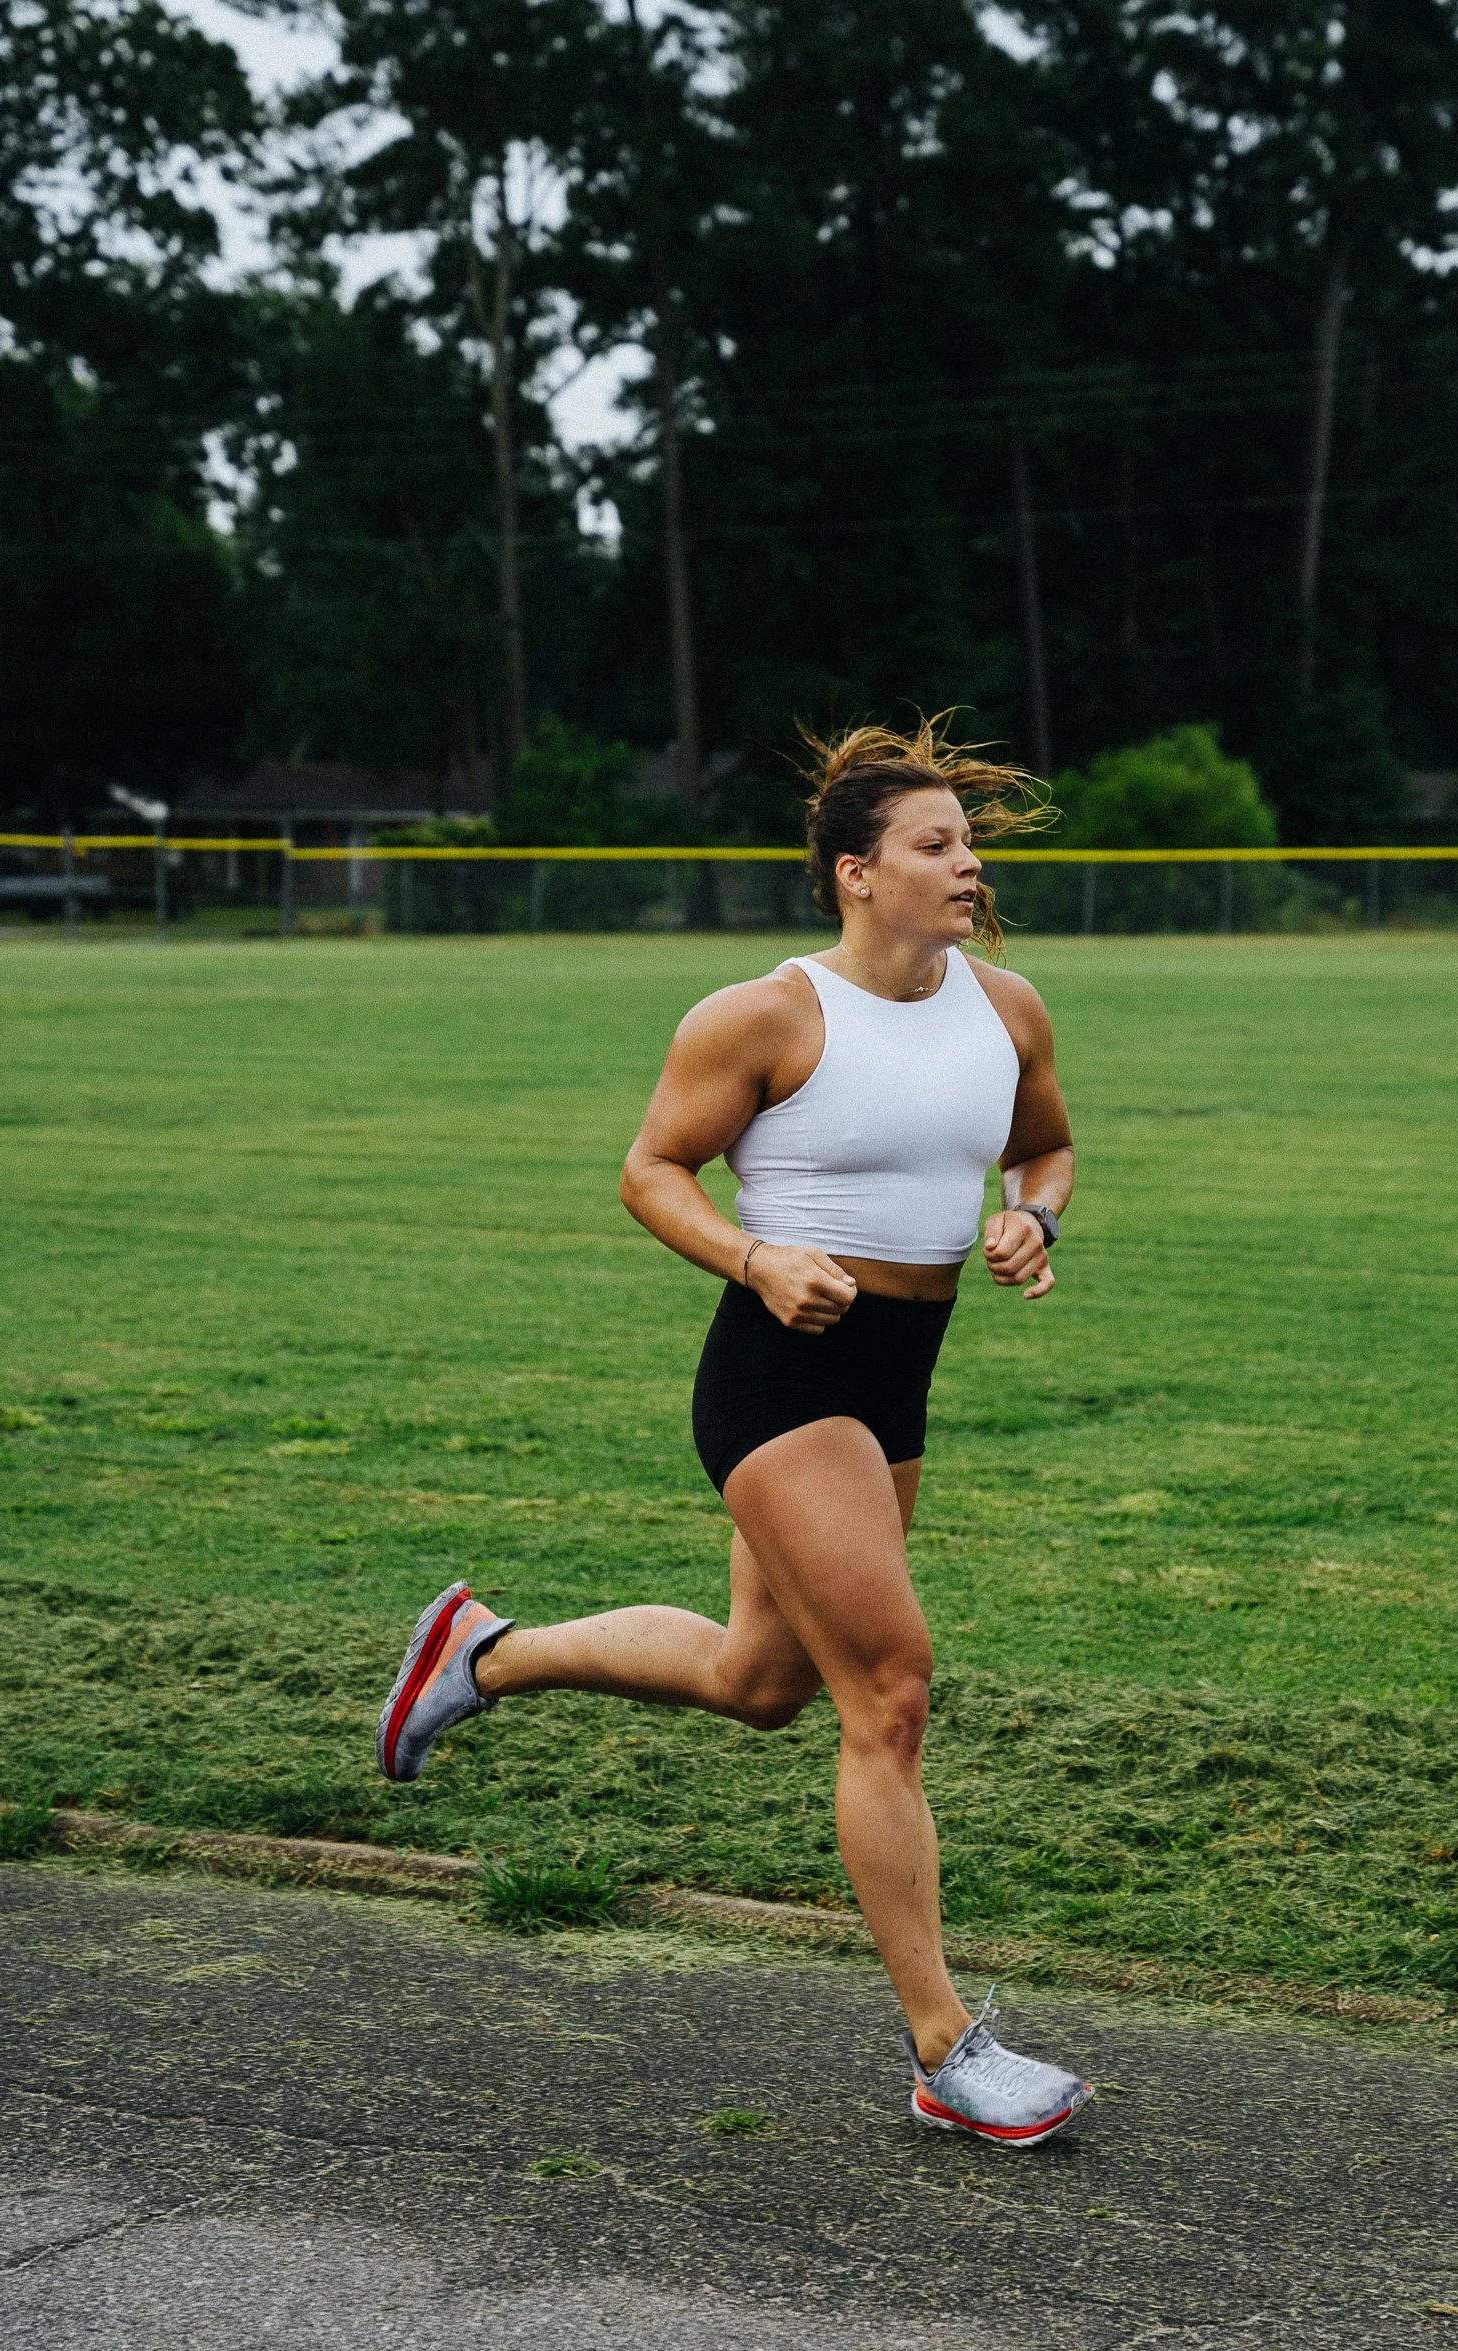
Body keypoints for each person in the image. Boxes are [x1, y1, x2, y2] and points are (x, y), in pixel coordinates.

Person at [375, 719, 1093, 2147]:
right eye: (936, 846)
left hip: (900, 1379)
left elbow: (1048, 1145)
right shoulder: (762, 1018)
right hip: (782, 1377)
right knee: (888, 1688)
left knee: (765, 1679)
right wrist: (754, 1259)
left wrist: (1034, 1216)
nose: (967, 867)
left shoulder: (1005, 1008)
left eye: (968, 843)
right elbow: (652, 1172)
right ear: (853, 874)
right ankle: (946, 2048)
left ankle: (483, 1651)